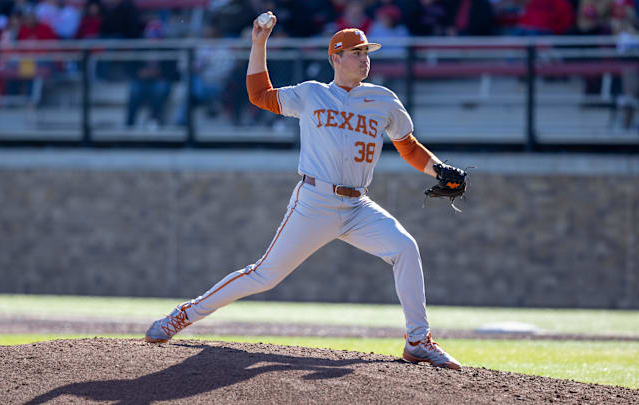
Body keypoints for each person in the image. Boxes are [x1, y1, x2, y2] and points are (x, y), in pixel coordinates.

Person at [145, 13, 464, 370]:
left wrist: (439, 168)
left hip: (358, 205)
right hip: (315, 201)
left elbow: (408, 146)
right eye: (356, 52)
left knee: (405, 248)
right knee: (264, 275)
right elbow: (259, 95)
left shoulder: (384, 99)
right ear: (335, 58)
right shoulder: (312, 93)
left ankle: (418, 340)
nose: (364, 58)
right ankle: (184, 314)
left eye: (366, 52)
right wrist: (259, 43)